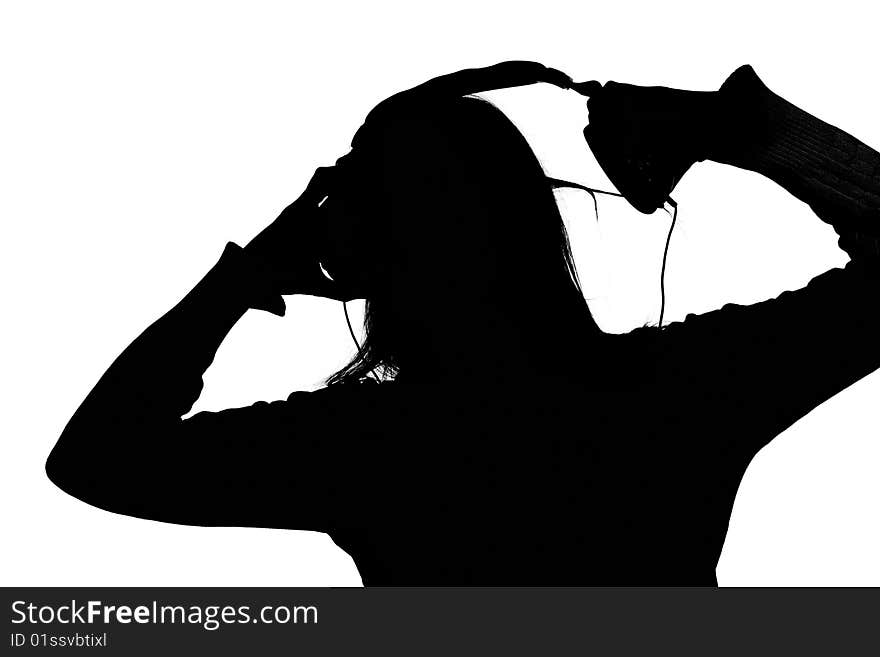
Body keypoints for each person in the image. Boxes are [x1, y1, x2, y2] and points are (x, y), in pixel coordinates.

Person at [46, 64, 880, 585]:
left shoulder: (367, 446)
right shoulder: (682, 387)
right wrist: (749, 131)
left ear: (360, 251)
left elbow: (98, 460)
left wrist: (239, 280)